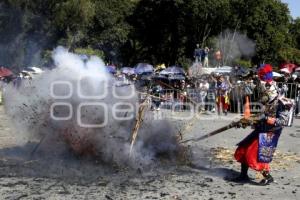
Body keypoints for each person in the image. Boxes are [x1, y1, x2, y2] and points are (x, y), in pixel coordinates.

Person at [233, 64, 293, 185]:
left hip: (271, 130)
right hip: (262, 127)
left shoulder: (281, 102)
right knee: (244, 147)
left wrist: (265, 119)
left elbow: (283, 121)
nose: (264, 95)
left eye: (267, 91)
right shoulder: (266, 98)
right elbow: (260, 114)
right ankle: (243, 175)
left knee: (256, 153)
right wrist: (248, 121)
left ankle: (268, 177)